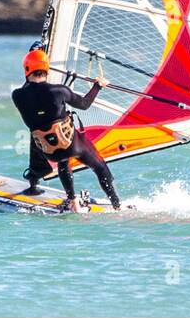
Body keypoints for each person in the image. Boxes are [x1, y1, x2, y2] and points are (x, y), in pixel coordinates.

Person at [12, 48, 121, 211]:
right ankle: (116, 205)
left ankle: (72, 199)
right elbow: (84, 104)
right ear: (47, 69)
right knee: (100, 167)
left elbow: (30, 89)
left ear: (27, 69)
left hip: (49, 152)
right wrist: (98, 86)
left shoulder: (17, 95)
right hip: (71, 145)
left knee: (62, 159)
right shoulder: (59, 91)